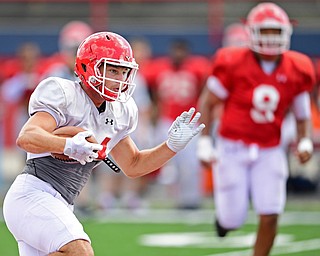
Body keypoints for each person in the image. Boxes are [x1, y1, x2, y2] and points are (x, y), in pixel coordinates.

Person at [2, 31, 205, 256]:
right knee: (81, 251)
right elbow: (27, 137)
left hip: (62, 202)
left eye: (123, 71)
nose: (119, 79)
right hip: (33, 195)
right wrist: (68, 145)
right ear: (89, 67)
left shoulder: (120, 112)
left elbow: (134, 165)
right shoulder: (65, 93)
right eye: (112, 70)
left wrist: (171, 146)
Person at [197, 2, 316, 256]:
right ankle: (224, 222)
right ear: (251, 32)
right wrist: (205, 142)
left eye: (276, 32)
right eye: (266, 31)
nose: (271, 38)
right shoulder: (232, 62)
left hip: (270, 148)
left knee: (271, 212)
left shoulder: (297, 67)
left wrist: (304, 141)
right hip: (232, 146)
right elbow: (208, 102)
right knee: (233, 219)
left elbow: (302, 114)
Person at [149, 39, 210, 209]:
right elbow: (152, 91)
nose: (178, 55)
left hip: (189, 122)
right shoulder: (159, 68)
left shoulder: (197, 67)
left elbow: (205, 90)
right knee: (166, 163)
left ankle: (191, 199)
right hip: (167, 121)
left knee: (190, 163)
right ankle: (173, 198)